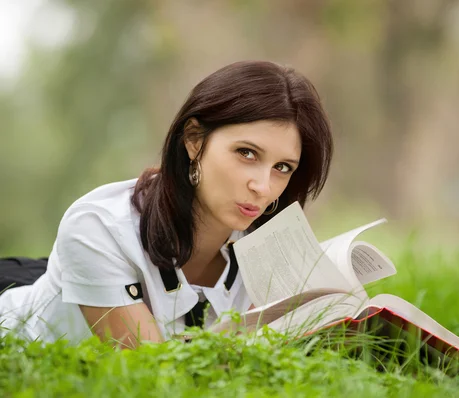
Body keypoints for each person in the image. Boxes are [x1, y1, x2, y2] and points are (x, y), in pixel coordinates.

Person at [0, 60, 333, 348]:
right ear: (193, 139)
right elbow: (156, 374)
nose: (262, 187)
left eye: (282, 167)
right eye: (246, 153)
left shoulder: (266, 253)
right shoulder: (98, 227)